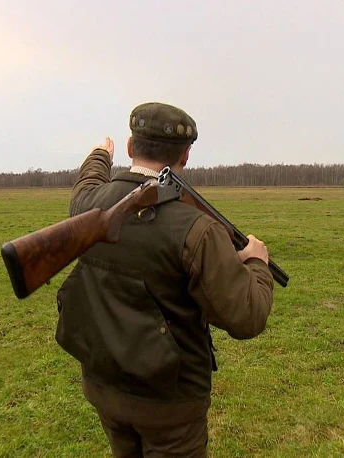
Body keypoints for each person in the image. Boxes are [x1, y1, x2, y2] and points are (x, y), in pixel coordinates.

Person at [55, 102, 274, 458]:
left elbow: (88, 181)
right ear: (186, 156)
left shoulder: (88, 207)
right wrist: (257, 264)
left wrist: (98, 154)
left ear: (129, 147)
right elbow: (246, 316)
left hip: (103, 387)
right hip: (170, 406)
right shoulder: (198, 229)